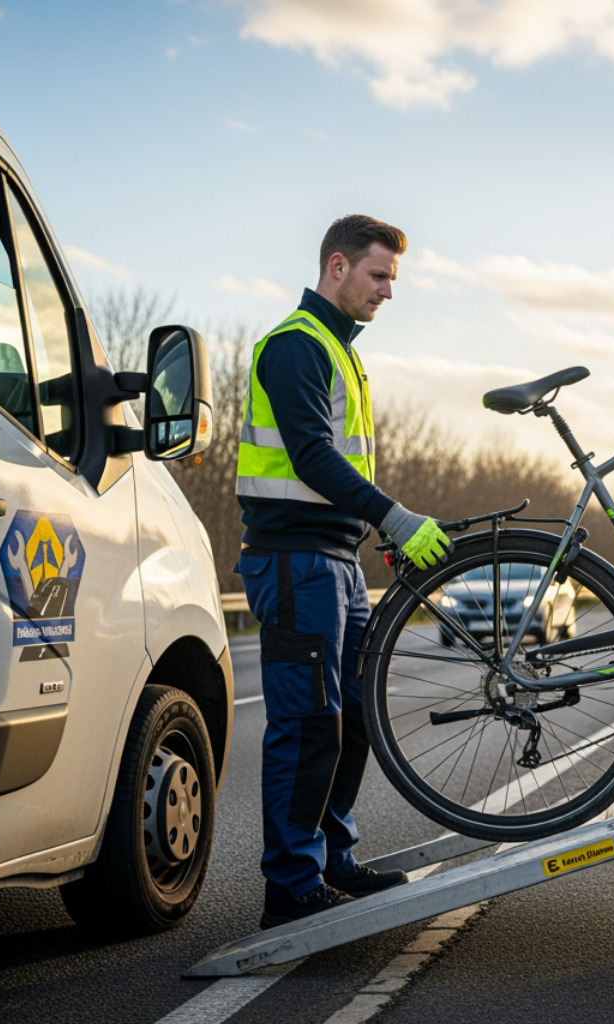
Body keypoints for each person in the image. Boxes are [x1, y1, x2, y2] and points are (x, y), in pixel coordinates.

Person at [234, 214, 451, 929]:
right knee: (306, 724)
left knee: (352, 718)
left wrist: (369, 531)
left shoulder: (341, 351)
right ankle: (291, 886)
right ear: (337, 267)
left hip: (336, 559)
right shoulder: (297, 346)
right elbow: (311, 459)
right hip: (295, 562)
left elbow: (339, 472)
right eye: (379, 275)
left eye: (392, 278)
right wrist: (394, 516)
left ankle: (332, 861)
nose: (388, 291)